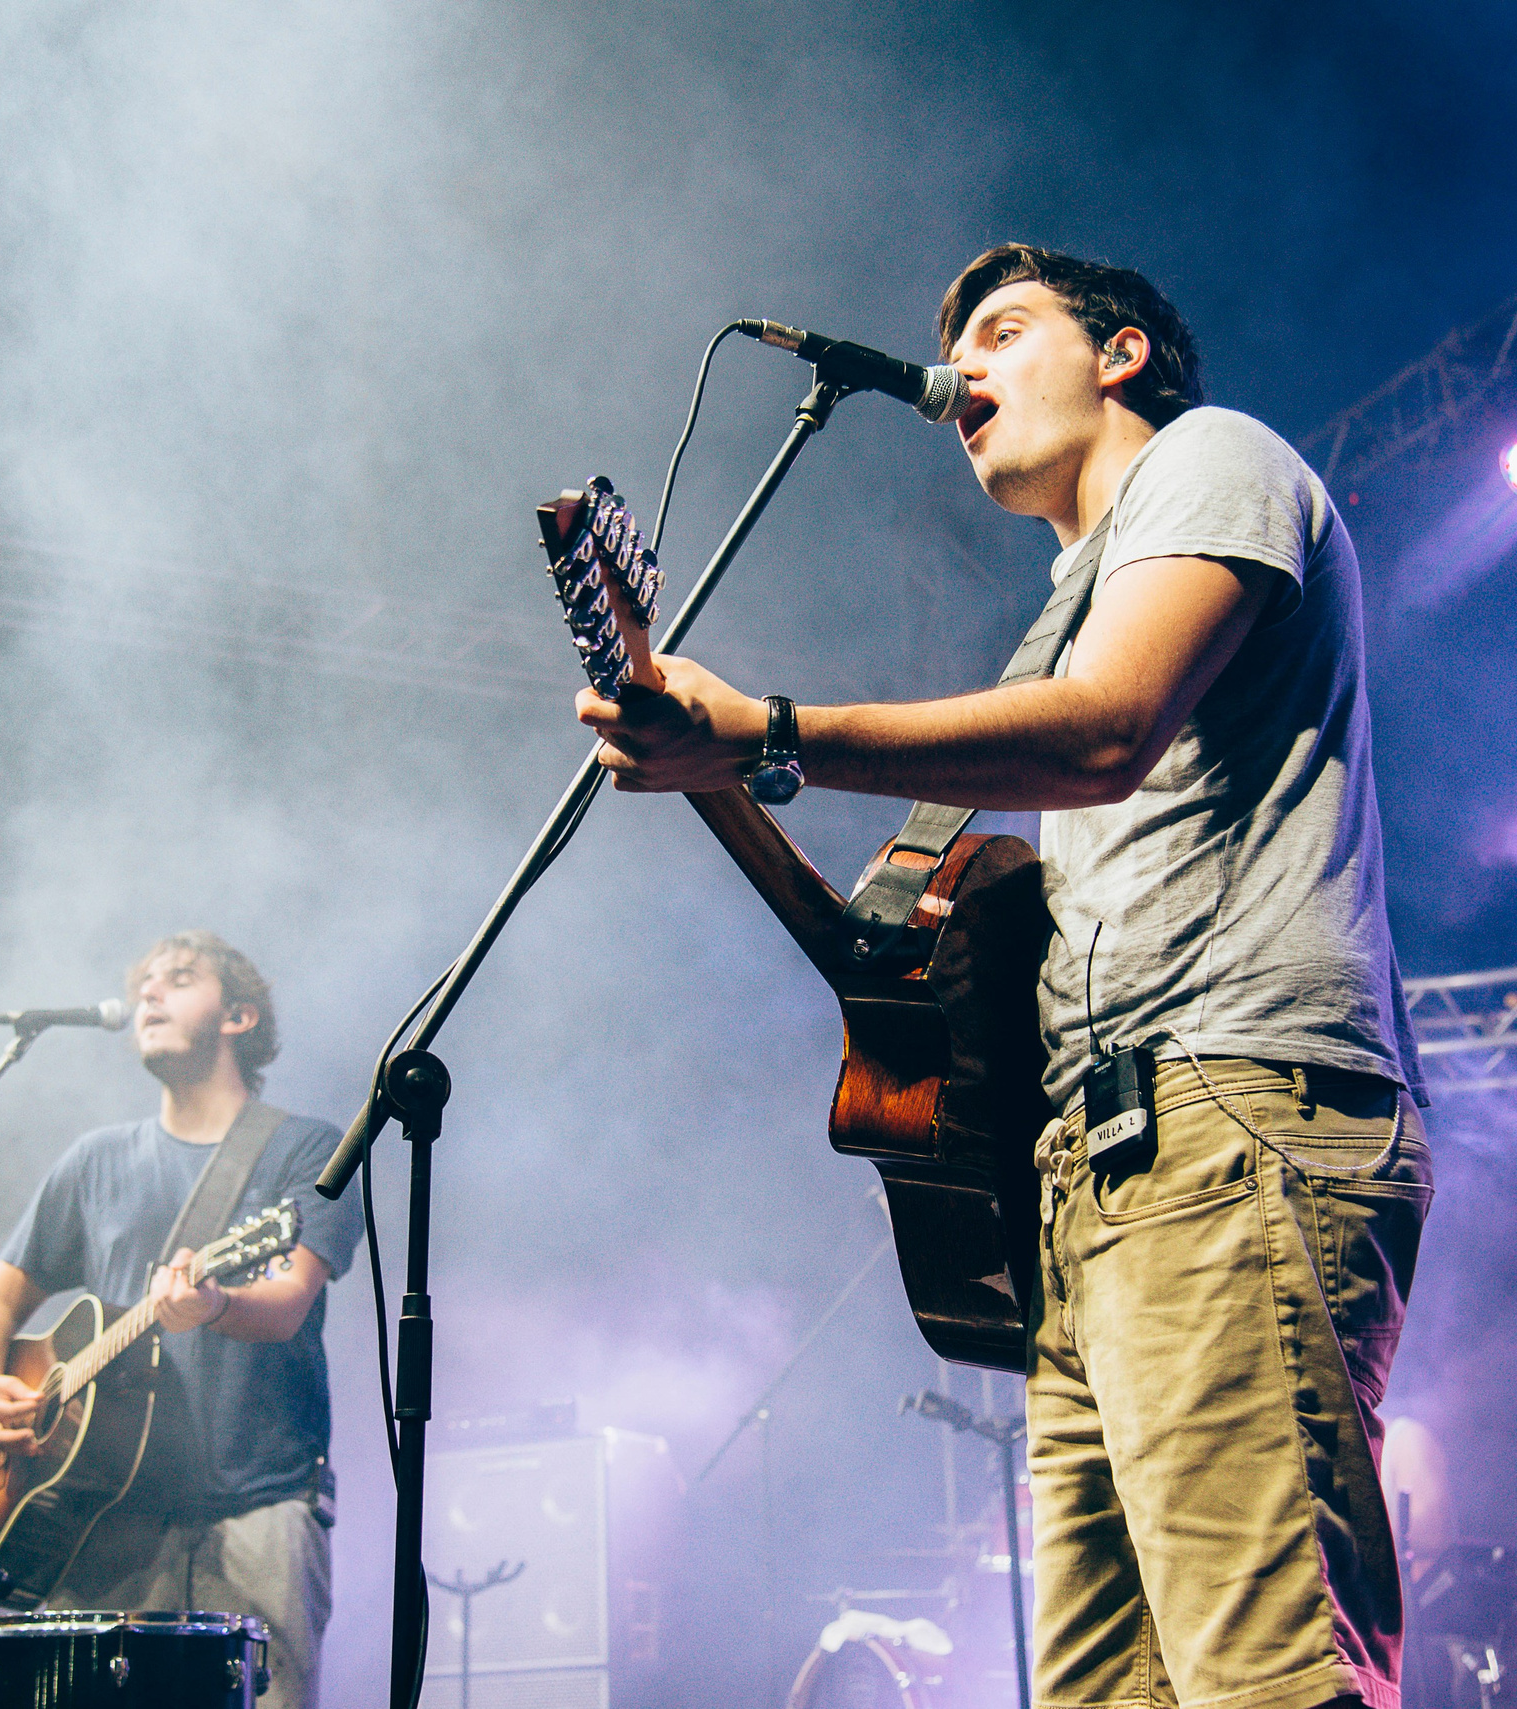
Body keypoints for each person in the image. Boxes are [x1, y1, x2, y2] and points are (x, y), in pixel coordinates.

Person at [579, 246, 1433, 1709]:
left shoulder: (1214, 459)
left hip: (1227, 1118)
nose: (959, 364)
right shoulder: (1067, 604)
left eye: (1002, 328)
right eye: (953, 340)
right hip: (1097, 1177)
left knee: (1270, 1674)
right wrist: (720, 766)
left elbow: (1101, 735)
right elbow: (913, 935)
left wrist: (770, 728)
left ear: (1120, 357)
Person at [0, 930, 362, 1709]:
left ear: (238, 1016)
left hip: (256, 1508)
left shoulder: (303, 1147)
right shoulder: (94, 1160)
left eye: (178, 979)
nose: (149, 993)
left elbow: (286, 1303)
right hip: (101, 1519)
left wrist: (214, 1304)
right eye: (144, 982)